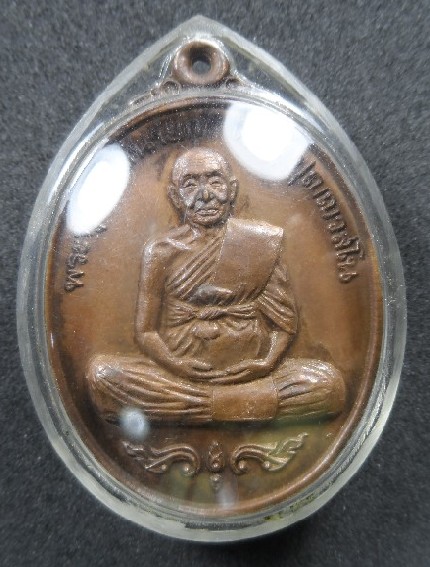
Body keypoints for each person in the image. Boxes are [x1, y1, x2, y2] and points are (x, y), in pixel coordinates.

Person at [88, 148, 345, 424]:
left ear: (232, 189)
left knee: (328, 386)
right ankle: (241, 406)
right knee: (103, 376)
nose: (205, 195)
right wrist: (178, 366)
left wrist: (266, 364)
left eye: (214, 181)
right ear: (175, 196)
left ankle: (196, 409)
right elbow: (146, 331)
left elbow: (284, 324)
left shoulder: (260, 242)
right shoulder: (161, 251)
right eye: (190, 184)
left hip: (250, 375)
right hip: (179, 378)